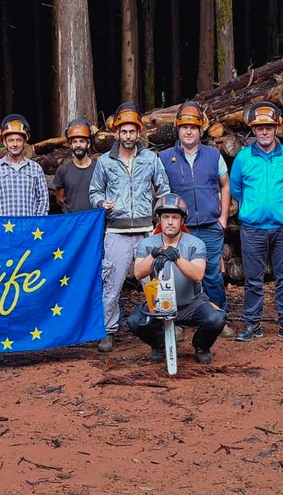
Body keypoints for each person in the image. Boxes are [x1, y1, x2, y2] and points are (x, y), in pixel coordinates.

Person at [89, 101, 170, 353]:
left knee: (153, 283)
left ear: (138, 132)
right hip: (116, 233)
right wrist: (102, 202)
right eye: (123, 131)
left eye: (132, 131)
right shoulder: (105, 161)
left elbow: (164, 189)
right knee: (112, 284)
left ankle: (160, 328)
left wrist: (161, 217)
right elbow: (94, 192)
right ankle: (108, 331)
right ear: (117, 133)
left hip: (146, 232)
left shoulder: (151, 158)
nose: (128, 136)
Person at [229, 101, 283, 343]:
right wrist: (254, 210)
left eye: (269, 127)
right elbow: (236, 189)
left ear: (277, 129)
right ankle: (252, 324)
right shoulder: (242, 158)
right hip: (253, 229)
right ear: (253, 130)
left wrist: (281, 208)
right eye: (260, 128)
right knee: (253, 280)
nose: (264, 132)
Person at [159, 101, 233, 335]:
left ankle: (218, 318)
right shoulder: (164, 157)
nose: (189, 131)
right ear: (177, 130)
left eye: (193, 127)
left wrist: (223, 217)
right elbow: (158, 192)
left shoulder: (214, 155)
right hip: (181, 230)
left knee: (212, 274)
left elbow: (225, 184)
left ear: (200, 130)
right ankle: (179, 321)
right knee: (179, 275)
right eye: (184, 127)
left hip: (210, 226)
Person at [128, 194, 227, 364]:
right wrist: (155, 254)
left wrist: (177, 257)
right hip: (158, 303)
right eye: (166, 217)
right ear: (159, 219)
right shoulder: (147, 243)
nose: (170, 222)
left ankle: (201, 346)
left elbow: (198, 275)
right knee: (135, 322)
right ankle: (160, 346)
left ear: (182, 220)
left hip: (191, 303)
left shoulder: (195, 243)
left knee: (216, 318)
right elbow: (138, 273)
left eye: (175, 217)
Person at [0, 114, 49, 216]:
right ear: (4, 142)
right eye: (11, 140)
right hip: (3, 229)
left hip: (29, 229)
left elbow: (43, 200)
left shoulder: (36, 169)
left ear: (24, 142)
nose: (15, 144)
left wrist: (36, 224)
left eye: (18, 140)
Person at [52, 118, 97, 212]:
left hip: (93, 222)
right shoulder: (63, 170)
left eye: (82, 141)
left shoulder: (98, 168)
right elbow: (60, 199)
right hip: (72, 222)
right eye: (74, 142)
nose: (78, 145)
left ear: (88, 144)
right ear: (70, 145)